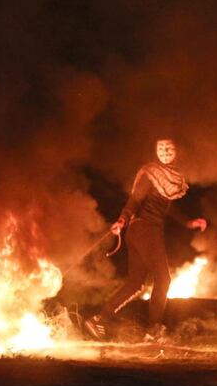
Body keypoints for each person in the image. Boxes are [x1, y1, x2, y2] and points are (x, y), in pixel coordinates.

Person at [84, 139, 207, 341]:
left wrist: (188, 223)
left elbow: (167, 207)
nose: (165, 151)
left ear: (177, 151)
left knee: (135, 284)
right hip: (145, 230)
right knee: (163, 279)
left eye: (169, 148)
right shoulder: (151, 173)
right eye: (161, 148)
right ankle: (153, 330)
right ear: (155, 152)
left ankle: (99, 319)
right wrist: (121, 221)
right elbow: (135, 200)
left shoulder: (170, 179)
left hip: (141, 232)